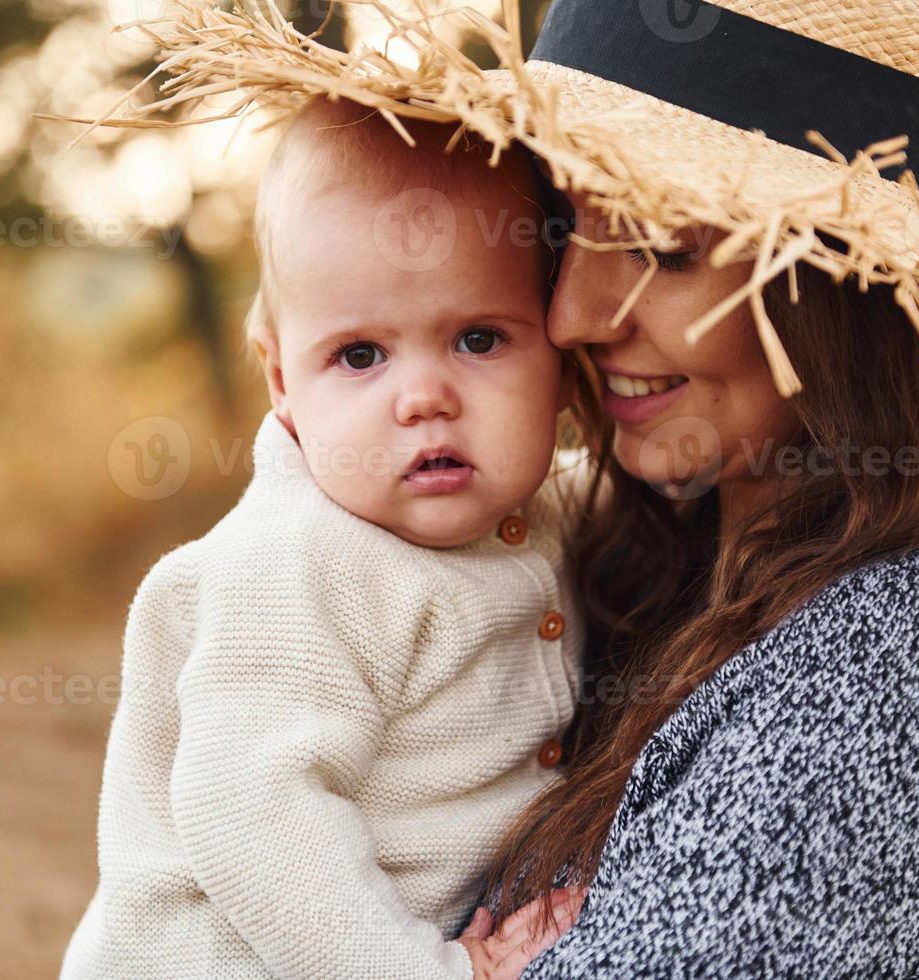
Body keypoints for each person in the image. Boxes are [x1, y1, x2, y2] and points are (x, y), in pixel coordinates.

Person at [82, 0, 919, 977]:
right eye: (571, 224)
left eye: (665, 250)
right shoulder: (665, 525)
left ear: (857, 283)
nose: (572, 313)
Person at [60, 95, 593, 980]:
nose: (423, 397)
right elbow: (252, 812)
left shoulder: (536, 517)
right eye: (359, 356)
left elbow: (579, 505)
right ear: (280, 378)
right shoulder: (297, 566)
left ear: (561, 358)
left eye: (478, 338)